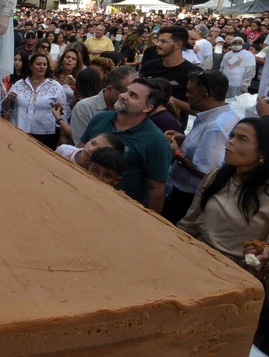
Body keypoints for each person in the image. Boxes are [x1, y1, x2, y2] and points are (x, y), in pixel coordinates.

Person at [177, 117, 269, 351]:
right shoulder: (217, 176)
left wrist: (263, 252)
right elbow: (189, 223)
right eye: (232, 136)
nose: (230, 142)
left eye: (242, 139)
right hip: (193, 263)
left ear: (263, 153)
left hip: (235, 281)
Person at [81, 77, 172, 212]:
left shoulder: (157, 142)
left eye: (133, 96)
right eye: (126, 91)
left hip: (117, 210)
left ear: (147, 107)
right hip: (80, 191)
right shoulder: (100, 118)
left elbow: (156, 189)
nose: (123, 96)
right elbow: (80, 150)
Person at [163, 70, 240, 225]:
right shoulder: (222, 115)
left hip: (187, 198)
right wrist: (185, 139)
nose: (186, 95)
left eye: (190, 91)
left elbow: (206, 172)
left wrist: (177, 154)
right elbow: (206, 148)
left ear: (205, 95)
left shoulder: (216, 127)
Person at [3, 52, 68, 150]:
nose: (42, 67)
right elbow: (4, 108)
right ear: (30, 66)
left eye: (44, 64)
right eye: (38, 64)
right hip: (19, 130)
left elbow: (63, 112)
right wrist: (8, 99)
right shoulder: (19, 84)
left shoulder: (55, 86)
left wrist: (63, 135)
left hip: (45, 134)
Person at [140, 25, 196, 125]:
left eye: (163, 41)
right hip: (141, 124)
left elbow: (197, 110)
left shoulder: (192, 73)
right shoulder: (149, 66)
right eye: (158, 40)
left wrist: (168, 99)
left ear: (177, 45)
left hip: (170, 129)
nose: (158, 44)